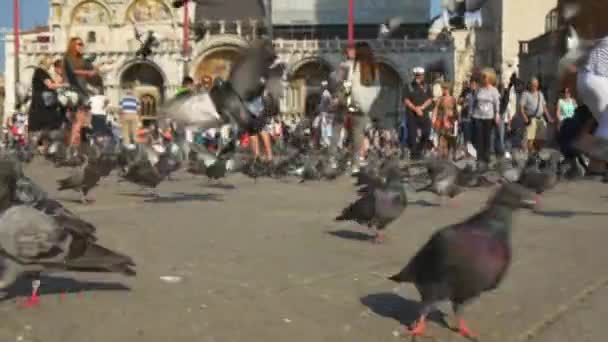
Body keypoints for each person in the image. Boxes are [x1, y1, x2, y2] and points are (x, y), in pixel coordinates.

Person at [63, 37, 98, 146]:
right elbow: (73, 71)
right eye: (79, 44)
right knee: (78, 121)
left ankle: (76, 146)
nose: (81, 46)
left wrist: (96, 69)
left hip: (82, 92)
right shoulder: (68, 58)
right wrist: (87, 73)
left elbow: (91, 67)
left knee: (83, 121)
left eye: (82, 44)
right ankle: (72, 148)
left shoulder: (81, 59)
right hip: (75, 91)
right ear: (73, 45)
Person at [28, 55, 64, 152]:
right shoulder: (40, 71)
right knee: (42, 128)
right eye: (50, 61)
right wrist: (64, 85)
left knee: (46, 127)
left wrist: (60, 77)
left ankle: (43, 148)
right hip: (42, 105)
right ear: (44, 61)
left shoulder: (43, 73)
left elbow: (54, 83)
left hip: (45, 105)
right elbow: (51, 85)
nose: (51, 63)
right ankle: (34, 148)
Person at [471, 68, 501, 169]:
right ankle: (480, 158)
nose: (483, 79)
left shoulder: (494, 90)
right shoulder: (479, 89)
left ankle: (487, 158)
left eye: (485, 77)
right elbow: (474, 101)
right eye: (482, 77)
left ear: (490, 78)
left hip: (489, 117)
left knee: (488, 138)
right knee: (479, 138)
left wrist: (497, 114)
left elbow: (497, 103)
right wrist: (471, 112)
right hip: (478, 116)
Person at [404, 67, 433, 160]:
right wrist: (415, 108)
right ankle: (414, 155)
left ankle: (419, 150)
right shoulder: (408, 86)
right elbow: (406, 100)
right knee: (412, 135)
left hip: (423, 113)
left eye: (421, 75)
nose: (420, 77)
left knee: (427, 132)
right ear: (415, 75)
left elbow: (430, 99)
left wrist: (422, 107)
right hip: (411, 114)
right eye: (418, 75)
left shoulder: (427, 86)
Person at [520, 77, 553, 152]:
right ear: (530, 85)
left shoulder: (540, 94)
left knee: (541, 138)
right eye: (533, 84)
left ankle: (536, 152)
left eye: (536, 84)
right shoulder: (525, 94)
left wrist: (549, 117)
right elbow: (521, 108)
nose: (535, 86)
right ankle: (530, 154)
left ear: (538, 85)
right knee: (530, 138)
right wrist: (525, 117)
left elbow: (544, 107)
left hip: (540, 118)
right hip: (531, 118)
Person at [432, 82, 458, 159]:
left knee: (450, 138)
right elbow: (436, 109)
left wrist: (455, 119)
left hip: (450, 121)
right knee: (441, 138)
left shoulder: (453, 99)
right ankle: (441, 155)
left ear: (447, 89)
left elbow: (455, 110)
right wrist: (433, 119)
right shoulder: (440, 99)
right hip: (441, 120)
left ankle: (450, 154)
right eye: (442, 89)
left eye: (443, 89)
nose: (442, 90)